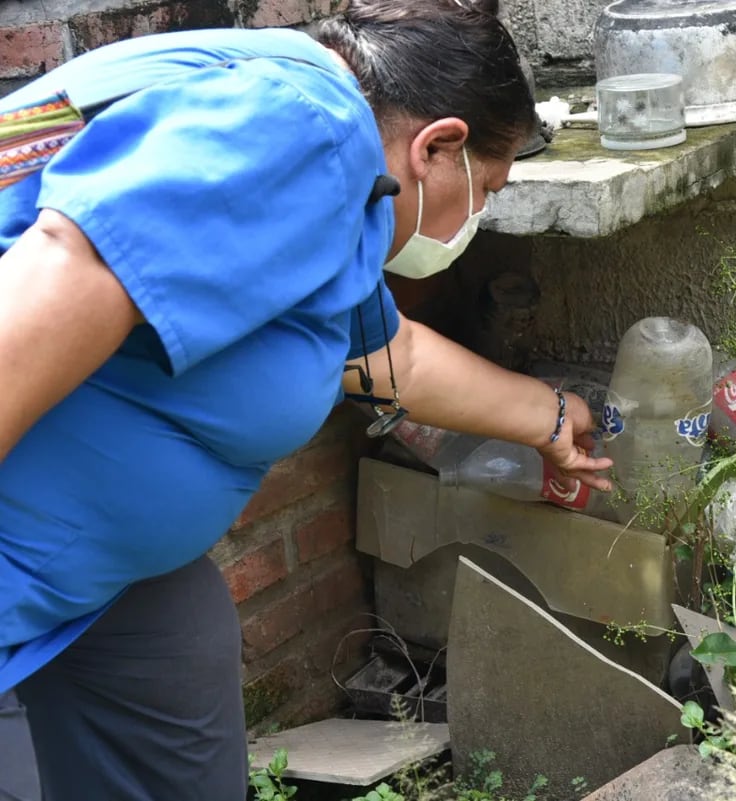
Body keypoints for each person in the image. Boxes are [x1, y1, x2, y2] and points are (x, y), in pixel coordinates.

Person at [0, 1, 612, 798]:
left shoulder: (337, 178)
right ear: (439, 145)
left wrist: (552, 417)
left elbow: (384, 354)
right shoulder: (309, 127)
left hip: (98, 567)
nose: (482, 215)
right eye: (487, 188)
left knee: (177, 646)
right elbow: (68, 266)